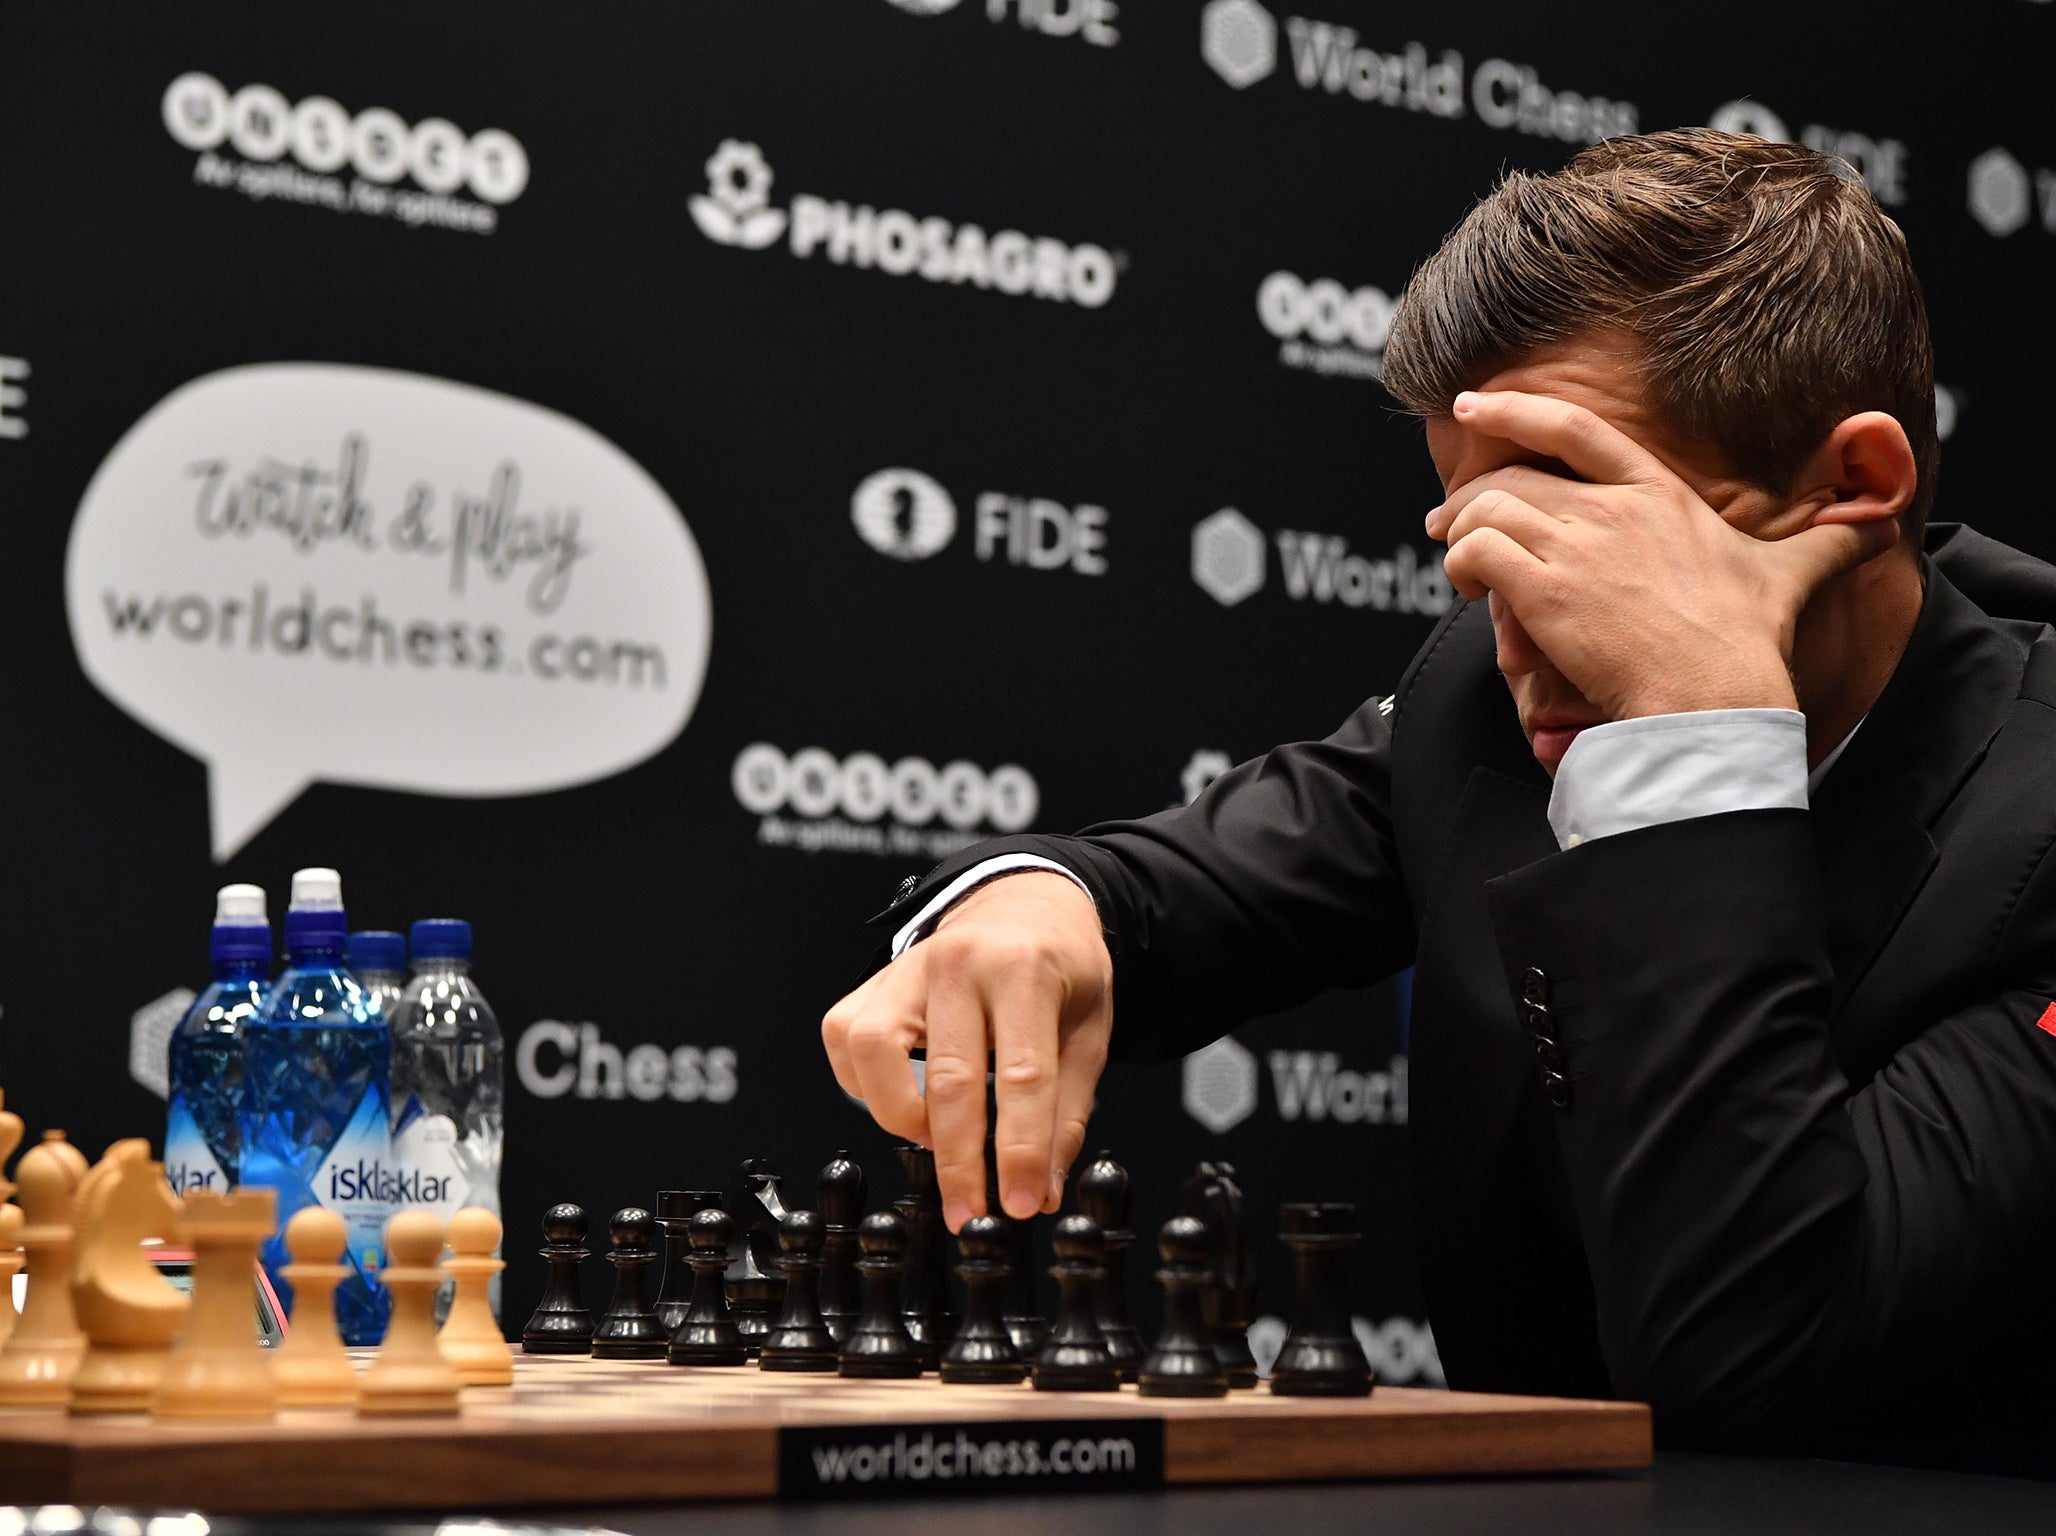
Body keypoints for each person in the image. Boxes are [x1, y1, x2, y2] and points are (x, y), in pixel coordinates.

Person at [821, 129, 2056, 1460]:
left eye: (1593, 544)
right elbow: (1177, 894)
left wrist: (1695, 735)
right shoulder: (1494, 687)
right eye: (1493, 561)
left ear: (1854, 484)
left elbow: (1752, 1352)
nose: (1523, 641)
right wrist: (1044, 904)